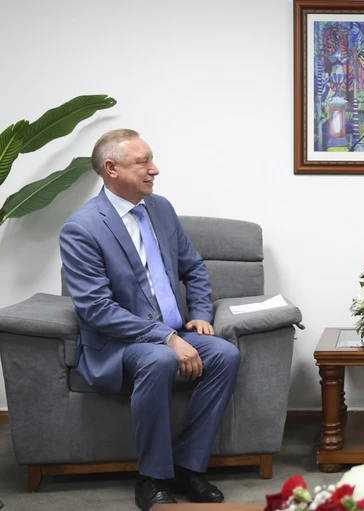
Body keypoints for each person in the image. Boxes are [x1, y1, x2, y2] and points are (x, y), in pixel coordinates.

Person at [59, 129, 241, 511]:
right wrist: (166, 338)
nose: (154, 169)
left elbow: (194, 268)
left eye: (151, 159)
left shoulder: (160, 208)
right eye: (143, 162)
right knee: (159, 359)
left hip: (173, 332)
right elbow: (96, 308)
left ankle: (188, 467)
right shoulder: (82, 228)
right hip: (118, 344)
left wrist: (201, 315)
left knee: (225, 354)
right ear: (112, 168)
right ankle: (153, 478)